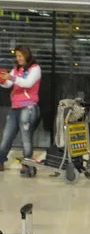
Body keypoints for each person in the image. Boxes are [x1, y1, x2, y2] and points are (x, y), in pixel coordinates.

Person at [0, 46, 42, 174]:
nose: (17, 58)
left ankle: (27, 165)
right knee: (7, 136)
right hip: (15, 107)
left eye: (20, 56)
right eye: (16, 56)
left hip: (28, 107)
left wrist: (11, 78)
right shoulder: (16, 69)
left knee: (26, 138)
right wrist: (2, 80)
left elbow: (28, 83)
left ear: (26, 55)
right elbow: (8, 84)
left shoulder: (35, 68)